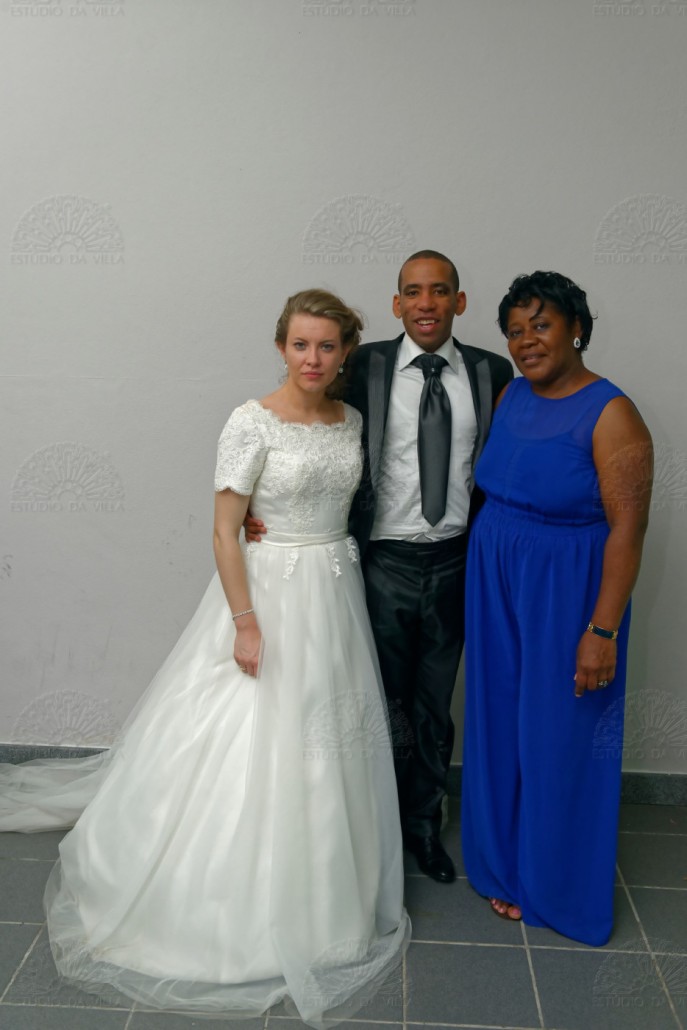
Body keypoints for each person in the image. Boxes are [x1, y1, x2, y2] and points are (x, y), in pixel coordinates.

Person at [0, 289, 411, 1027]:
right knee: (254, 732)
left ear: (347, 351)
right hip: (268, 595)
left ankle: (325, 889)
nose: (312, 358)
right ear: (280, 346)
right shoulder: (249, 421)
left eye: (327, 346)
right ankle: (231, 893)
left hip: (334, 593)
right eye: (299, 344)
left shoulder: (350, 421)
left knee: (328, 739)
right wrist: (245, 624)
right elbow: (225, 531)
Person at [247, 251, 513, 883]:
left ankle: (422, 826)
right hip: (379, 561)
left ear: (459, 301)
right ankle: (376, 828)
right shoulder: (363, 364)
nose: (426, 303)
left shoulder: (490, 372)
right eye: (413, 292)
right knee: (376, 702)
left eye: (439, 291)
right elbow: (301, 426)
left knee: (433, 705)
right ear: (397, 304)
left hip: (454, 560)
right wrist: (260, 507)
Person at [460, 271, 652, 945]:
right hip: (496, 578)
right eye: (515, 331)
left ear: (577, 329)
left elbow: (628, 530)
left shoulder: (611, 413)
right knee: (497, 720)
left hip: (567, 589)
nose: (526, 341)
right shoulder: (511, 394)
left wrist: (601, 629)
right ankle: (502, 865)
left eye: (540, 325)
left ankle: (557, 886)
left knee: (560, 732)